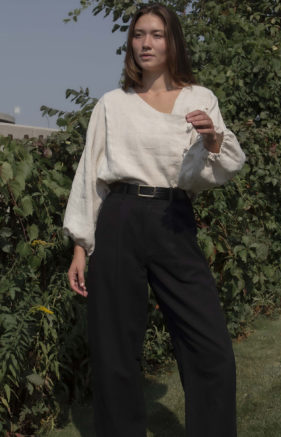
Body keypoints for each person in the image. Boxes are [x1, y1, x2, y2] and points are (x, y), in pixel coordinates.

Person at [63, 3, 246, 437]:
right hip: (119, 219)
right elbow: (91, 174)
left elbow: (213, 172)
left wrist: (212, 137)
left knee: (210, 347)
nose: (146, 42)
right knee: (114, 347)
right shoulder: (112, 104)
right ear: (131, 43)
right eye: (139, 34)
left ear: (173, 41)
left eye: (157, 34)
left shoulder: (200, 98)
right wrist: (80, 245)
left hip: (172, 217)